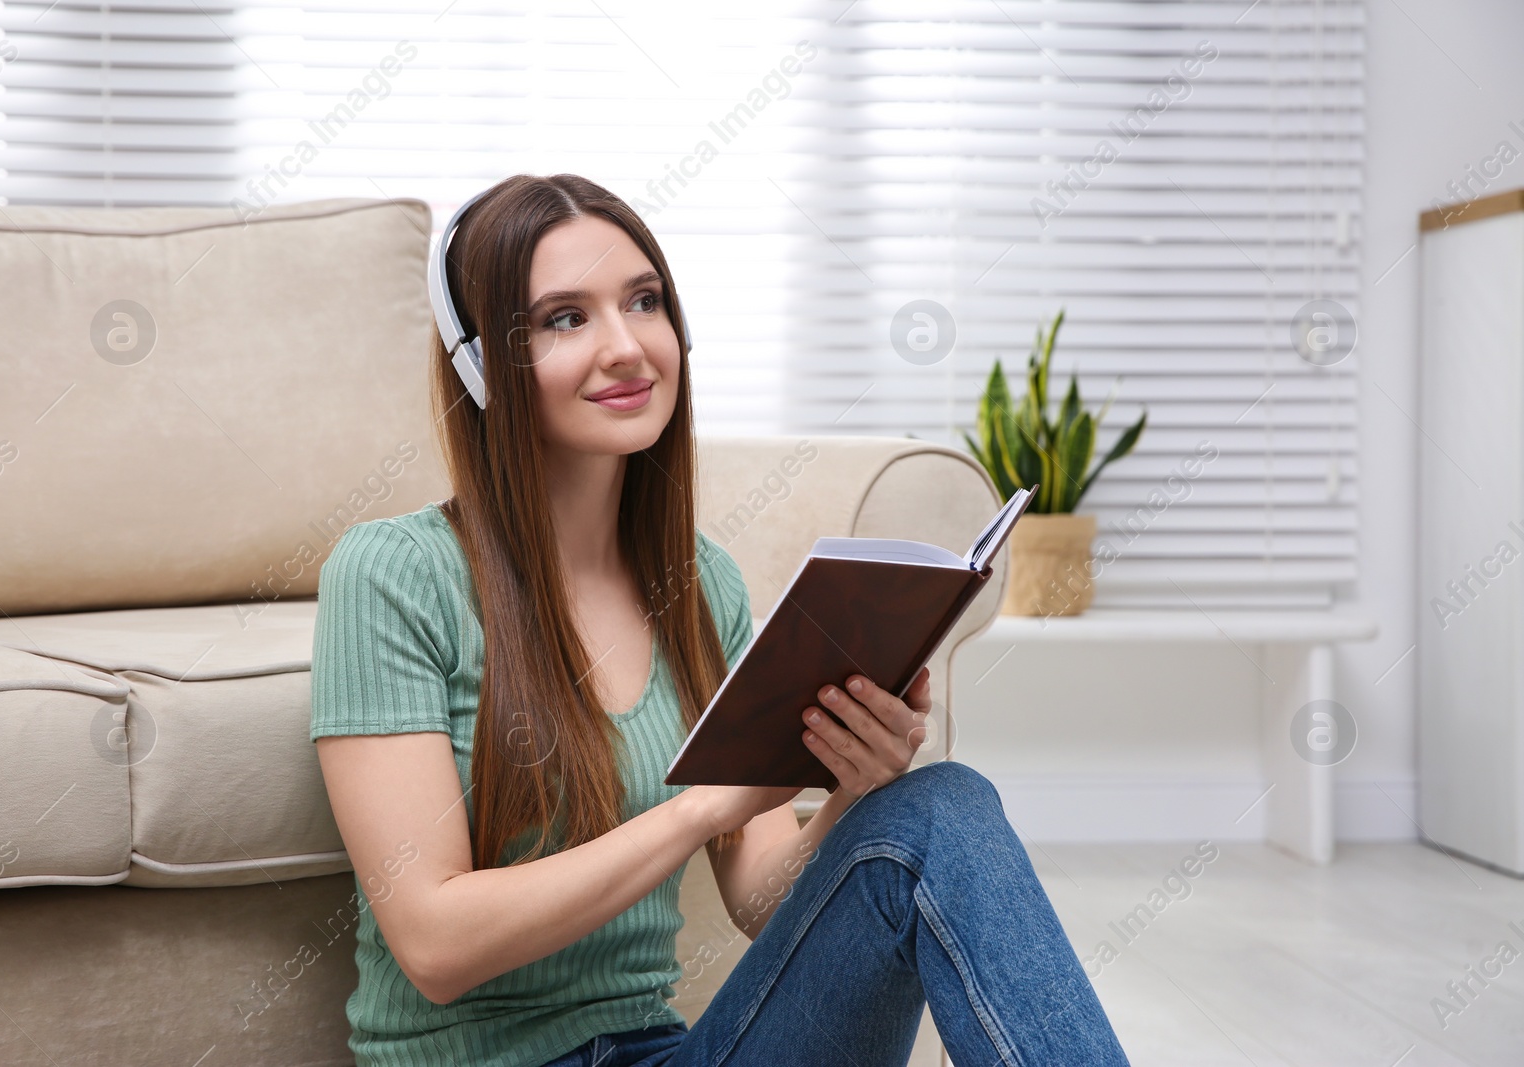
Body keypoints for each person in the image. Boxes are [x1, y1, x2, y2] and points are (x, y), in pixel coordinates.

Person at [309, 173, 1129, 1067]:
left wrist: (855, 787)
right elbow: (432, 944)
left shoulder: (700, 585)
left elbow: (759, 898)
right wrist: (700, 810)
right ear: (481, 367)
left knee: (938, 807)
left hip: (665, 1054)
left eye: (644, 301)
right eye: (564, 318)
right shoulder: (394, 575)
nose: (626, 346)